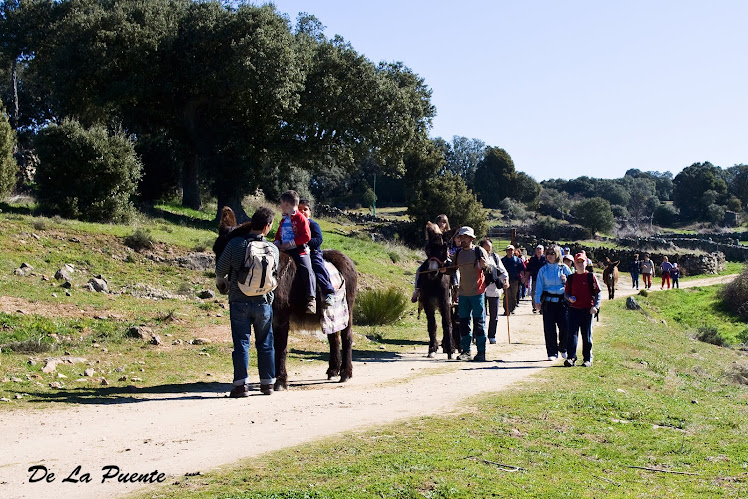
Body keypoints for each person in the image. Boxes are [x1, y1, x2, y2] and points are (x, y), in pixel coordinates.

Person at [215, 207, 279, 398]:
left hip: (239, 301)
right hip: (264, 303)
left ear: (252, 223)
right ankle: (268, 384)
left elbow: (220, 269)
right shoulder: (273, 249)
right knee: (266, 343)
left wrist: (222, 282)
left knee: (242, 343)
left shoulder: (235, 244)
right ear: (267, 227)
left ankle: (241, 385)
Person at [274, 190, 316, 314]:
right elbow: (279, 234)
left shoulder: (301, 218)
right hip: (284, 250)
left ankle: (311, 299)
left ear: (287, 204)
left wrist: (291, 243)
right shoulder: (283, 219)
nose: (280, 206)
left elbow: (306, 236)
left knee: (307, 269)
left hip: (299, 250)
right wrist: (277, 242)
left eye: (281, 203)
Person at [452, 227, 490, 361]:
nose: (462, 239)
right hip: (463, 294)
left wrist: (485, 266)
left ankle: (481, 352)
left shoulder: (479, 251)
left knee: (479, 323)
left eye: (465, 237)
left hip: (478, 293)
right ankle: (466, 352)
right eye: (461, 237)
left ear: (472, 239)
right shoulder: (458, 254)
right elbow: (451, 269)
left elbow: (491, 269)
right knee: (464, 323)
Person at [534, 245, 573, 360]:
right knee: (549, 328)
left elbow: (572, 285)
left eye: (552, 253)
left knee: (565, 327)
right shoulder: (543, 270)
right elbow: (539, 287)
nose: (550, 256)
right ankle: (552, 352)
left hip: (563, 302)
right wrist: (537, 301)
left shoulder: (564, 268)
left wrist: (565, 280)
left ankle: (563, 348)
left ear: (557, 255)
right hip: (548, 302)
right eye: (548, 253)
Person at [564, 251, 602, 367]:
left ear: (586, 263)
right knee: (572, 335)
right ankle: (571, 358)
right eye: (578, 262)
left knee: (587, 335)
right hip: (573, 310)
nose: (580, 264)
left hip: (587, 310)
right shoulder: (570, 278)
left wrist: (595, 306)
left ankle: (587, 359)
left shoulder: (591, 277)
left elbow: (598, 292)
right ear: (574, 264)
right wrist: (569, 298)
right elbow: (566, 293)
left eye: (582, 262)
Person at [298, 199, 335, 307]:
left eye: (305, 209)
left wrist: (306, 240)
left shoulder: (313, 225)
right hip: (299, 251)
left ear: (310, 212)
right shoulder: (295, 225)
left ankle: (328, 292)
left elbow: (318, 240)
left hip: (313, 252)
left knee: (318, 267)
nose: (302, 211)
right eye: (299, 209)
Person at [479, 238, 509, 345]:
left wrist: (505, 281)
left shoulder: (495, 257)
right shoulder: (477, 258)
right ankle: (479, 335)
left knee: (494, 316)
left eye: (489, 249)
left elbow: (503, 271)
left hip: (494, 290)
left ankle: (492, 336)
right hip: (480, 290)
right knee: (480, 315)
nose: (488, 252)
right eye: (486, 249)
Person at [501, 245, 523, 315]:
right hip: (505, 280)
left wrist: (522, 278)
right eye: (508, 250)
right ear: (506, 251)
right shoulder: (503, 260)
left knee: (513, 295)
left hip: (515, 280)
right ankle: (506, 309)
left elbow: (521, 269)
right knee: (507, 295)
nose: (510, 252)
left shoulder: (517, 260)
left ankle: (512, 308)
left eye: (511, 250)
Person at [527, 245, 547, 313]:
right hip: (535, 279)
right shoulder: (532, 259)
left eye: (540, 249)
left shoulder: (546, 259)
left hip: (544, 280)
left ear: (543, 251)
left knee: (543, 293)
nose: (538, 251)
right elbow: (528, 269)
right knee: (534, 293)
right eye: (537, 249)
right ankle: (535, 307)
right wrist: (526, 278)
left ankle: (542, 307)